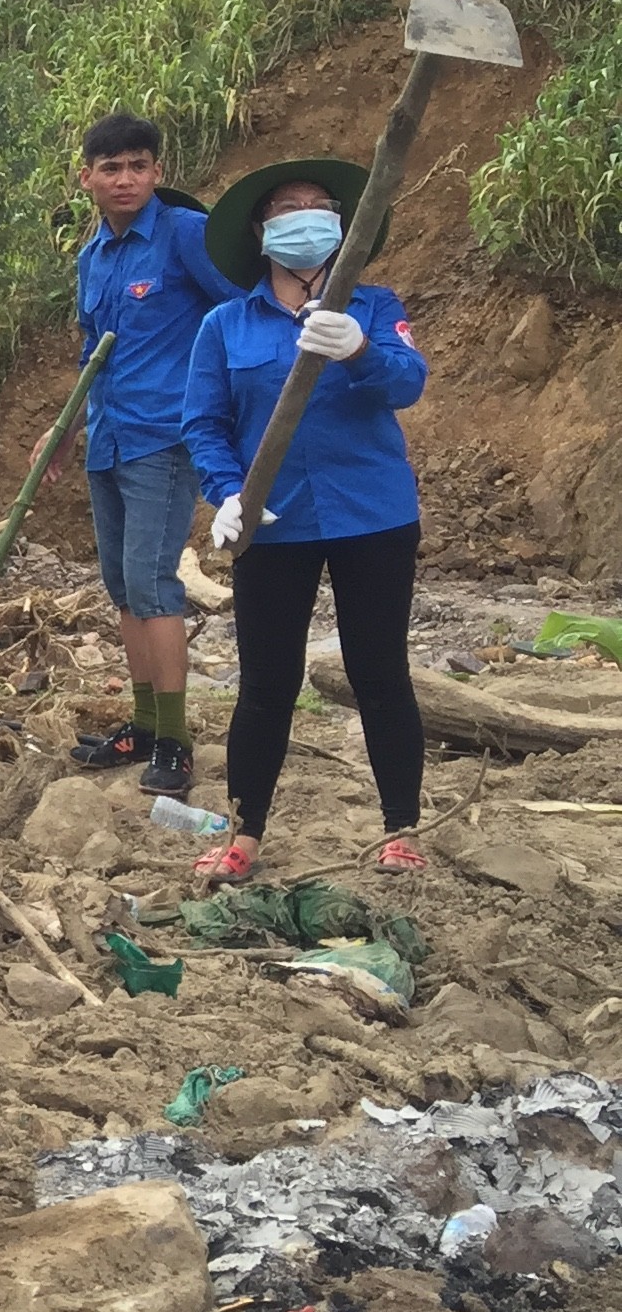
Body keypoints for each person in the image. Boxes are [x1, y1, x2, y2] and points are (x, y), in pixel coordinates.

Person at [181, 158, 429, 881]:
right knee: (265, 682)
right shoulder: (226, 325)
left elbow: (408, 382)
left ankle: (401, 829)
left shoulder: (376, 307)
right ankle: (244, 833)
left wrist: (358, 349)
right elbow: (204, 423)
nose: (307, 215)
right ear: (262, 232)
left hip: (372, 514)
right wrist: (228, 493)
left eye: (321, 205)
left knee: (379, 670)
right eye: (289, 206)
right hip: (272, 523)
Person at [65, 112, 231, 797]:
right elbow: (89, 353)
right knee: (122, 586)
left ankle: (175, 741)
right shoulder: (92, 256)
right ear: (88, 179)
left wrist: (225, 412)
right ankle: (140, 723)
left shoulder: (188, 235)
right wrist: (65, 430)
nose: (125, 179)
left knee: (155, 583)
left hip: (165, 437)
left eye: (138, 165)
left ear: (157, 172)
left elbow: (238, 312)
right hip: (107, 436)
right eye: (111, 169)